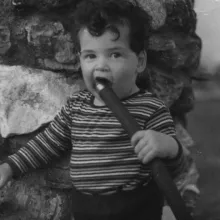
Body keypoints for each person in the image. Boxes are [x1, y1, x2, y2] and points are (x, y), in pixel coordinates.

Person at [0, 0, 188, 219]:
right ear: (80, 60)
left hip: (135, 207)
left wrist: (169, 147)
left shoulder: (150, 108)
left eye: (115, 54)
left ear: (140, 61)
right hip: (87, 209)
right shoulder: (76, 107)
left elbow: (172, 172)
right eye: (91, 56)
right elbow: (45, 145)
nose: (101, 65)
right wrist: (9, 167)